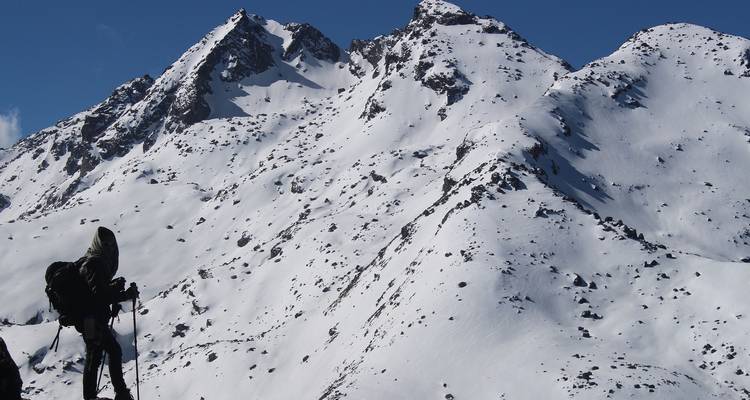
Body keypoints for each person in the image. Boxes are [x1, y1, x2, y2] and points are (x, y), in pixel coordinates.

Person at [76, 227, 139, 400]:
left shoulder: (92, 260)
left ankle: (94, 395)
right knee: (107, 352)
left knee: (96, 356)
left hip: (90, 318)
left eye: (112, 243)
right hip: (90, 319)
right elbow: (100, 294)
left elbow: (96, 292)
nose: (110, 246)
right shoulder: (95, 263)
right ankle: (119, 392)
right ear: (99, 243)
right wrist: (124, 295)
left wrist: (113, 289)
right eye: (106, 243)